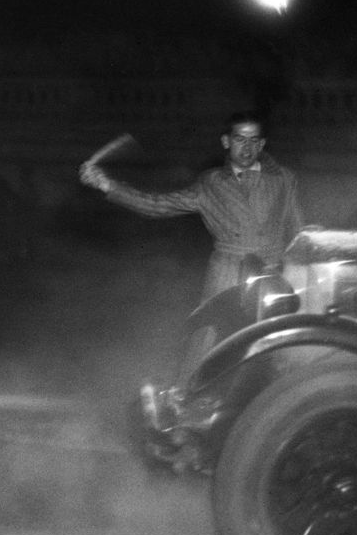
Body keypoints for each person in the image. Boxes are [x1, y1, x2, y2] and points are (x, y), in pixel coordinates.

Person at [79, 110, 305, 379]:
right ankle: (189, 398)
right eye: (240, 139)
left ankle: (272, 405)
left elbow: (297, 231)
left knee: (275, 343)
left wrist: (301, 263)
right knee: (208, 337)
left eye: (254, 140)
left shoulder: (283, 179)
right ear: (226, 141)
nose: (247, 147)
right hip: (228, 273)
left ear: (262, 144)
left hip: (271, 274)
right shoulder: (210, 183)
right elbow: (156, 205)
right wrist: (106, 184)